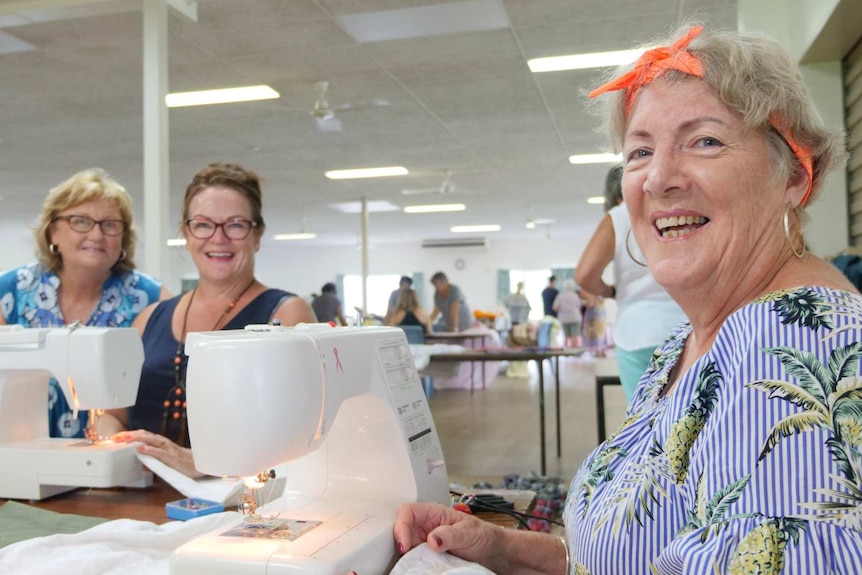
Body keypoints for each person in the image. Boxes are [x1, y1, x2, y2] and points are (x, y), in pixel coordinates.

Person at [393, 24, 862, 573]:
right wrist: (502, 547)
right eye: (639, 151)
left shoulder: (801, 349)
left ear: (796, 173)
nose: (657, 177)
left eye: (705, 140)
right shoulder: (686, 346)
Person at [112, 162, 316, 477]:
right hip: (141, 498)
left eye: (235, 225)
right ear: (187, 233)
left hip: (237, 508)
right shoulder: (149, 319)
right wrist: (119, 447)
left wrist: (201, 464)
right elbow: (111, 414)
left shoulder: (286, 314)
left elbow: (300, 436)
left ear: (257, 235)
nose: (218, 238)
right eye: (204, 224)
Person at [0, 168, 169, 439]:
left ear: (123, 238)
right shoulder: (10, 292)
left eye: (110, 224)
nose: (96, 234)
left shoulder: (151, 298)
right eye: (80, 221)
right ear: (53, 232)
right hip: (15, 447)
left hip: (116, 449)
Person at [576, 165, 687, 400]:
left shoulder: (619, 215)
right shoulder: (677, 207)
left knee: (643, 421)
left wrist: (610, 291)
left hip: (636, 332)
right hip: (686, 325)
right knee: (691, 418)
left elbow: (584, 275)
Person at [552, 279, 582, 348]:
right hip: (574, 317)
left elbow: (555, 307)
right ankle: (575, 352)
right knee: (575, 335)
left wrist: (563, 309)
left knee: (565, 336)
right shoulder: (575, 295)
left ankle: (565, 352)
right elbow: (579, 306)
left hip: (563, 318)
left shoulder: (560, 296)